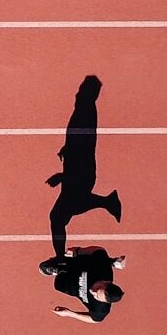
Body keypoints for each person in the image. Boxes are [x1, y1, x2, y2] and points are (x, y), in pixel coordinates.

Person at [47, 76, 122, 259]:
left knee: (58, 217)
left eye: (81, 90)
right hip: (79, 171)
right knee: (65, 212)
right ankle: (108, 202)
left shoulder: (86, 111)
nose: (77, 92)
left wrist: (61, 176)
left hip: (80, 174)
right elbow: (78, 142)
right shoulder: (83, 110)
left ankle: (60, 259)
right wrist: (66, 149)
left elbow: (82, 147)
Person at [40, 245, 126, 323]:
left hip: (71, 287)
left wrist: (70, 313)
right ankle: (59, 267)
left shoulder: (101, 309)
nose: (92, 291)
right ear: (106, 282)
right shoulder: (102, 268)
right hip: (77, 265)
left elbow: (94, 319)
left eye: (96, 296)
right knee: (44, 266)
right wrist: (78, 251)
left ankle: (60, 272)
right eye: (97, 288)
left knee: (58, 285)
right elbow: (98, 250)